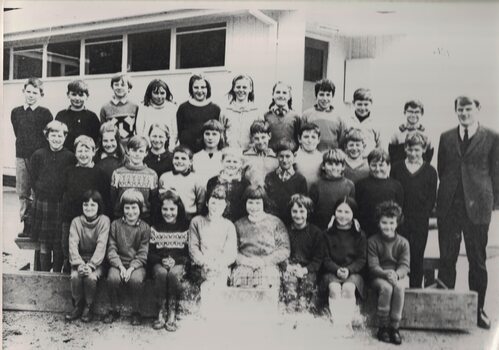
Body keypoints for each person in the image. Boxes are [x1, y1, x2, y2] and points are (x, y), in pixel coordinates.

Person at [436, 96, 499, 329]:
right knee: (447, 259)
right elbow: (443, 170)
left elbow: (497, 174)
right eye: (460, 109)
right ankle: (444, 309)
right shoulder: (445, 137)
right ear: (455, 111)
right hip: (450, 208)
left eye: (468, 109)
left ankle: (478, 310)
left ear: (478, 109)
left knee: (477, 261)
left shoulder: (492, 137)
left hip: (478, 209)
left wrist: (491, 204)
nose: (464, 113)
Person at [390, 132, 437, 288]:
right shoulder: (397, 168)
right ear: (405, 148)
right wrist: (397, 216)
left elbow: (431, 199)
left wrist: (422, 216)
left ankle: (416, 291)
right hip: (400, 220)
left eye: (417, 150)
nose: (413, 153)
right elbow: (393, 193)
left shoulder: (430, 171)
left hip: (419, 222)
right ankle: (398, 292)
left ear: (423, 150)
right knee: (399, 256)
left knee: (417, 257)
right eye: (410, 150)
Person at [30, 121, 76, 272]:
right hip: (43, 202)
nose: (56, 138)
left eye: (60, 135)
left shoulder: (70, 156)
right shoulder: (38, 155)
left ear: (65, 137)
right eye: (53, 135)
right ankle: (43, 275)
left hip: (60, 204)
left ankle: (56, 273)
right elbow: (33, 177)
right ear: (47, 136)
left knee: (57, 242)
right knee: (44, 243)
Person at [11, 77, 53, 236]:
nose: (31, 95)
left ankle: (38, 224)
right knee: (23, 191)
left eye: (35, 92)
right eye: (28, 91)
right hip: (21, 156)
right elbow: (18, 132)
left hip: (39, 159)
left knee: (38, 191)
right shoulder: (16, 112)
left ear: (40, 94)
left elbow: (46, 135)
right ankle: (26, 224)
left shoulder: (45, 113)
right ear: (24, 92)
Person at [61, 136, 110, 273]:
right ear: (75, 153)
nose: (83, 154)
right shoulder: (68, 171)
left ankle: (92, 271)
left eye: (87, 150)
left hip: (92, 220)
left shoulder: (100, 173)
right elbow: (63, 194)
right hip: (71, 217)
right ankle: (72, 275)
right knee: (68, 248)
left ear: (94, 152)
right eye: (80, 151)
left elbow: (105, 199)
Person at [188, 185, 238, 317]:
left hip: (220, 266)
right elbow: (193, 249)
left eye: (220, 203)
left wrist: (219, 264)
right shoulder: (197, 222)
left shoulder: (229, 226)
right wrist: (205, 263)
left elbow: (231, 253)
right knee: (208, 281)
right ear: (207, 203)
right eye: (213, 203)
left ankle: (216, 315)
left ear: (225, 205)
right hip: (201, 266)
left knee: (218, 280)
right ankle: (207, 314)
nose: (216, 207)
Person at [104, 189, 150, 326]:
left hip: (136, 265)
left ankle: (136, 311)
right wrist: (119, 266)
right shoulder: (115, 225)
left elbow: (143, 253)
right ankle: (114, 309)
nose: (131, 212)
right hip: (118, 263)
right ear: (122, 208)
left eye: (134, 208)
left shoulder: (145, 228)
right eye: (127, 208)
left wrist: (130, 269)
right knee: (112, 278)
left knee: (136, 280)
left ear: (140, 209)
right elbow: (111, 249)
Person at [231, 186, 290, 292]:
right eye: (250, 203)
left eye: (258, 203)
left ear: (264, 203)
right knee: (242, 288)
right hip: (245, 264)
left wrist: (264, 261)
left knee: (264, 288)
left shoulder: (275, 222)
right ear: (245, 203)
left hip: (268, 265)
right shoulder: (238, 224)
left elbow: (284, 249)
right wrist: (245, 261)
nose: (254, 207)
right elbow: (232, 250)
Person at [322, 197, 366, 335]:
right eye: (339, 211)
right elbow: (325, 258)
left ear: (353, 214)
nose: (342, 215)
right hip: (332, 271)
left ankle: (346, 323)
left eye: (347, 212)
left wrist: (349, 270)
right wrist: (336, 269)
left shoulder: (359, 235)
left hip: (353, 273)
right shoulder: (327, 234)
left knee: (348, 287)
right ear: (334, 213)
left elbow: (361, 259)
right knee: (334, 288)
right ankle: (337, 322)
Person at [368, 201, 410, 345]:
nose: (388, 226)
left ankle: (394, 327)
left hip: (397, 275)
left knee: (398, 287)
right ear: (378, 223)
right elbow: (373, 266)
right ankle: (383, 327)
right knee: (386, 288)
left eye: (391, 223)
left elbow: (405, 265)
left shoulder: (403, 242)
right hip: (379, 276)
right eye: (384, 222)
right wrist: (387, 274)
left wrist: (397, 275)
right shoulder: (373, 241)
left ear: (397, 223)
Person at [66, 190, 110, 322]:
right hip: (79, 259)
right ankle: (78, 305)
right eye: (86, 205)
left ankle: (88, 307)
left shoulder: (104, 221)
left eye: (93, 205)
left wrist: (91, 265)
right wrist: (79, 264)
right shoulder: (76, 222)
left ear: (99, 206)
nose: (89, 208)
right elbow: (72, 245)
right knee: (75, 277)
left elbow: (102, 245)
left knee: (90, 278)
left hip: (97, 261)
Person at [149, 190, 190, 331]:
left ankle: (172, 311)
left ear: (178, 208)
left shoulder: (185, 226)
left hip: (178, 262)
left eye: (172, 209)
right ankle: (161, 311)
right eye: (165, 209)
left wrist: (176, 260)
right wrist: (161, 260)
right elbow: (150, 252)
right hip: (159, 262)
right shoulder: (155, 227)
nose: (168, 212)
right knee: (161, 274)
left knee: (173, 275)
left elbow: (187, 253)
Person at [282, 194, 322, 313]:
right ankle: (290, 309)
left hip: (307, 269)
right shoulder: (286, 231)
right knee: (290, 283)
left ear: (308, 212)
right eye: (294, 211)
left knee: (308, 285)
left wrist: (304, 270)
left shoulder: (315, 233)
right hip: (290, 268)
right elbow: (282, 252)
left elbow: (318, 259)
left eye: (301, 211)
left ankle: (304, 310)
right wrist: (288, 266)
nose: (298, 215)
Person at [355, 149, 403, 237]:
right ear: (369, 165)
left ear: (388, 166)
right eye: (373, 165)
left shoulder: (396, 185)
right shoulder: (361, 185)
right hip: (366, 230)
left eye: (381, 165)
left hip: (388, 230)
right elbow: (357, 208)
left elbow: (399, 209)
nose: (377, 169)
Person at [110, 136, 158, 223]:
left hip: (144, 219)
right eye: (134, 150)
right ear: (128, 151)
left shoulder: (152, 174)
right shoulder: (117, 173)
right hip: (122, 219)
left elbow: (153, 200)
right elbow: (114, 199)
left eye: (141, 151)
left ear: (146, 153)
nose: (137, 154)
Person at [309, 149, 355, 230]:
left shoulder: (349, 185)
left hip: (342, 228)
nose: (334, 168)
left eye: (337, 164)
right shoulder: (316, 185)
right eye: (330, 164)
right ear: (323, 166)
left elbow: (352, 210)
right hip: (321, 228)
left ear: (343, 167)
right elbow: (311, 210)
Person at [264, 140, 307, 224]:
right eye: (281, 156)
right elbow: (266, 201)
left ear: (294, 156)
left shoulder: (300, 179)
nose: (284, 160)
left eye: (288, 156)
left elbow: (302, 205)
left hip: (292, 221)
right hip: (273, 220)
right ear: (276, 156)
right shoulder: (270, 177)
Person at [176, 74, 221, 153]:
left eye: (203, 87)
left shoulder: (215, 109)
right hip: (187, 152)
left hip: (207, 152)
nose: (199, 91)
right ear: (191, 89)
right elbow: (179, 131)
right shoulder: (183, 108)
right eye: (196, 87)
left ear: (208, 89)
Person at [159, 145, 206, 219]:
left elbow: (201, 203)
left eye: (183, 159)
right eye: (176, 158)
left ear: (190, 162)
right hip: (169, 217)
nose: (179, 161)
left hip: (189, 218)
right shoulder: (164, 177)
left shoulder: (197, 179)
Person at [55, 80, 100, 152]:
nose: (77, 98)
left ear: (87, 96)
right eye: (74, 94)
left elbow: (97, 140)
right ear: (68, 95)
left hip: (85, 156)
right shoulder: (61, 115)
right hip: (65, 156)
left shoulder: (92, 117)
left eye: (81, 95)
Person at [206, 147, 250, 222]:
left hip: (238, 221)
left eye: (235, 162)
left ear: (241, 164)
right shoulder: (212, 181)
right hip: (217, 221)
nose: (231, 164)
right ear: (222, 162)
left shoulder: (245, 183)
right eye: (228, 161)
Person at [301, 79, 346, 152]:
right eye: (321, 95)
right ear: (316, 96)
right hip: (311, 156)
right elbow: (301, 137)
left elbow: (342, 142)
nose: (325, 98)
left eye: (328, 95)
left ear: (332, 96)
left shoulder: (339, 118)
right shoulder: (306, 115)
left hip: (331, 158)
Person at [221, 74, 262, 150]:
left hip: (250, 155)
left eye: (244, 87)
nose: (241, 90)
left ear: (250, 89)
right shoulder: (226, 111)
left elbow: (261, 135)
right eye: (238, 87)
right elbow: (221, 134)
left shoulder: (256, 112)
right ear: (233, 88)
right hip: (231, 155)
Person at [136, 79, 178, 151]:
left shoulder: (172, 108)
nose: (159, 96)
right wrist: (146, 147)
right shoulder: (144, 108)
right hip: (148, 148)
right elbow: (139, 131)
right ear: (150, 93)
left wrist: (171, 147)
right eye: (155, 93)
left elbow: (175, 132)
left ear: (166, 93)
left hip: (167, 148)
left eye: (162, 93)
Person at [99, 74, 139, 146]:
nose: (119, 87)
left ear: (129, 88)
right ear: (112, 87)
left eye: (123, 85)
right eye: (116, 85)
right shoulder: (105, 107)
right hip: (112, 145)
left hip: (129, 146)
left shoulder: (135, 106)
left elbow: (137, 130)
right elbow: (103, 130)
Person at [343, 88, 382, 158]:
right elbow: (342, 143)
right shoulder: (347, 121)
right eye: (359, 104)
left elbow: (380, 145)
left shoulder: (376, 123)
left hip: (369, 161)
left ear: (371, 104)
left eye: (366, 104)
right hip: (350, 161)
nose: (363, 108)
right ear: (353, 103)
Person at [264, 81, 301, 152]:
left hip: (289, 157)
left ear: (289, 96)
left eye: (284, 93)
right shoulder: (266, 116)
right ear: (272, 95)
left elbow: (299, 138)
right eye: (278, 92)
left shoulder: (296, 116)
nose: (281, 95)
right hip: (271, 156)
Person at [242, 120, 279, 186]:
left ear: (269, 136)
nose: (260, 141)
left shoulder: (275, 158)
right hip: (252, 193)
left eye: (263, 137)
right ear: (252, 138)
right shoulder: (245, 157)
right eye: (256, 138)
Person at [192, 119, 225, 186]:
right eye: (207, 134)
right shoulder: (195, 157)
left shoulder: (224, 157)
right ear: (202, 135)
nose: (210, 137)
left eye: (214, 134)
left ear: (220, 136)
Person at [294, 123, 323, 190]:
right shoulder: (294, 158)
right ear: (299, 139)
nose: (310, 141)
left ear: (318, 140)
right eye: (306, 137)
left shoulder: (322, 158)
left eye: (313, 137)